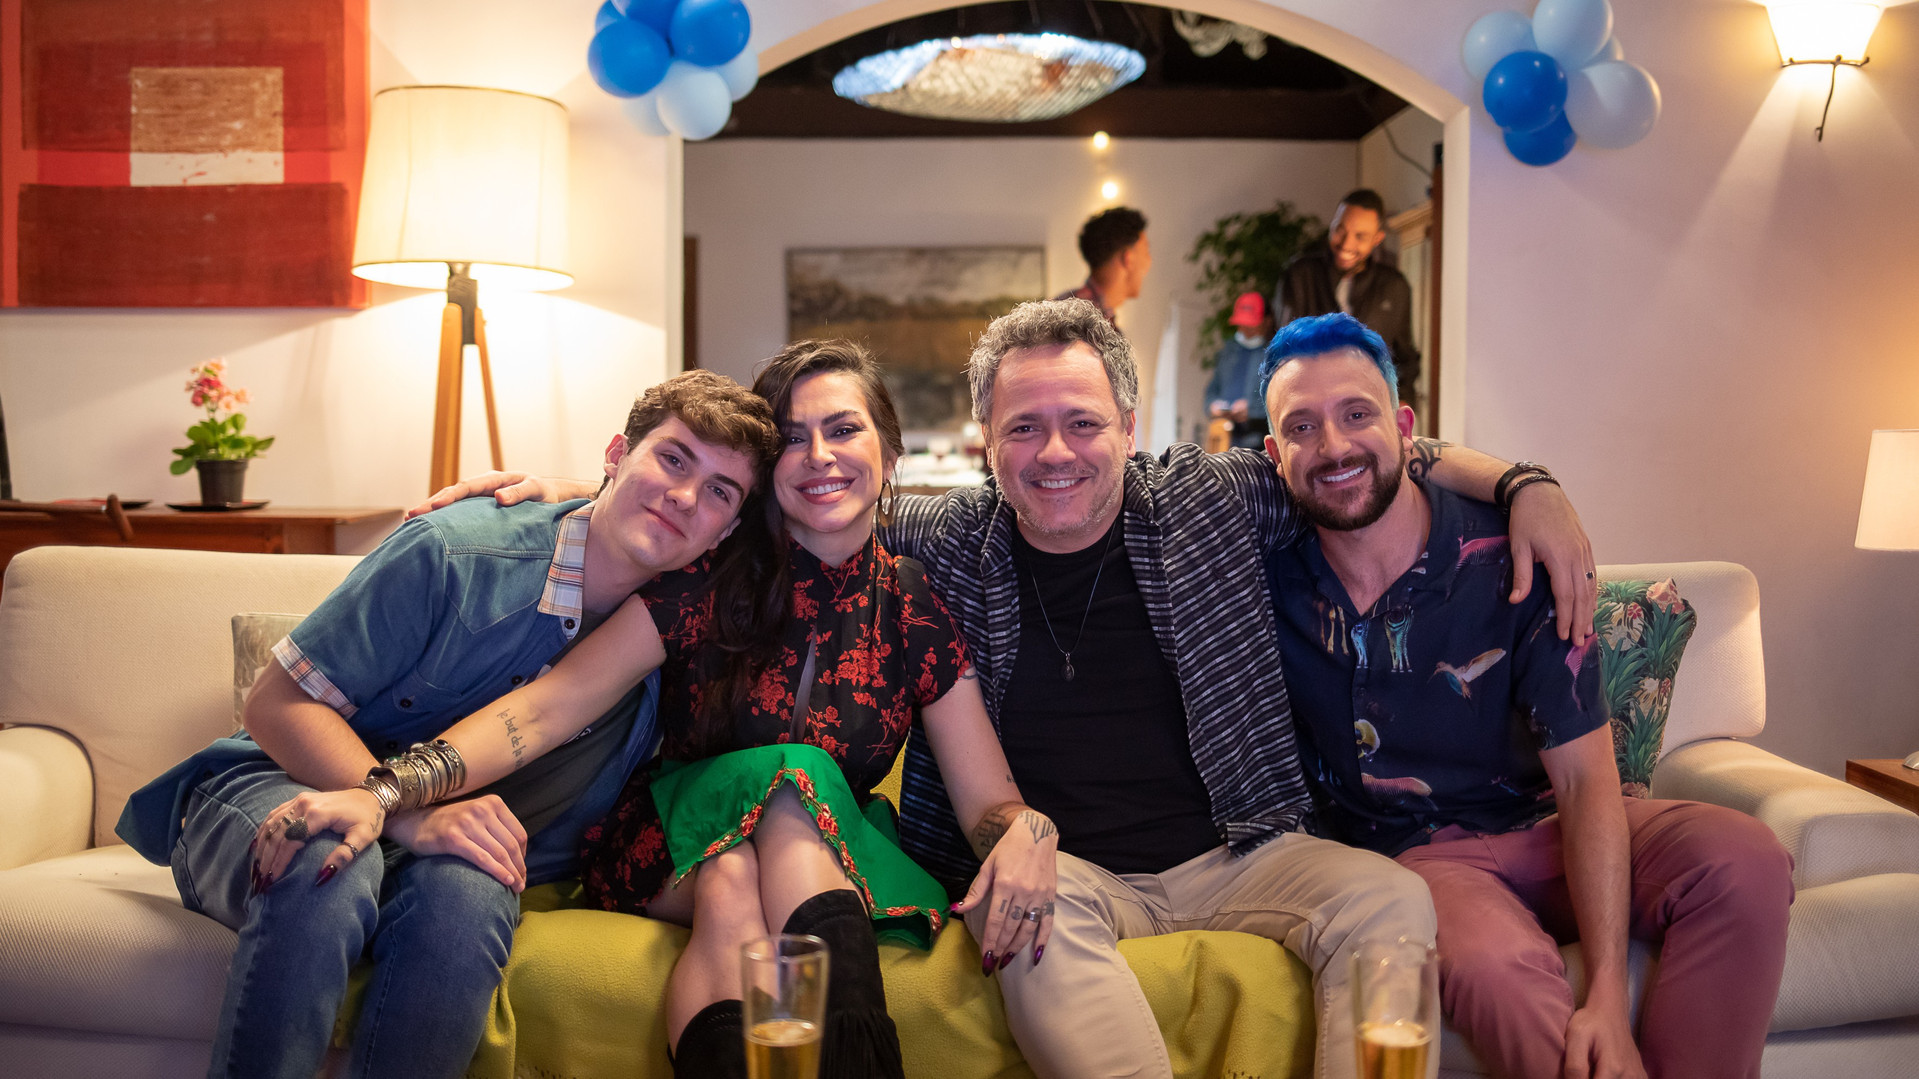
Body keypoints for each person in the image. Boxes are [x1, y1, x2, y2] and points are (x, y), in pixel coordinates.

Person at [425, 299, 1603, 1079]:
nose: (1054, 452)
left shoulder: (1206, 501)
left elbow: (1347, 448)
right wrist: (564, 496)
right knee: (1004, 917)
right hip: (1061, 874)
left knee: (1385, 902)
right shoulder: (941, 541)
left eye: (1082, 422)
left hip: (1239, 847)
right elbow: (743, 486)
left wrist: (1526, 484)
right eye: (1022, 426)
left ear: (1128, 427)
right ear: (981, 440)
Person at [113, 371, 777, 1079]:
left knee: (471, 896)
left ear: (730, 527)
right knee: (327, 858)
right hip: (284, 781)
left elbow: (828, 537)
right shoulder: (454, 550)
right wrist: (403, 813)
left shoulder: (692, 619)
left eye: (719, 491)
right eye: (672, 459)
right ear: (616, 452)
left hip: (457, 839)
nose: (685, 496)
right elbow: (274, 704)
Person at [458, 341, 1058, 1078]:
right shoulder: (706, 573)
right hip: (670, 839)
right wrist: (393, 787)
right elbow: (548, 707)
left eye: (843, 429)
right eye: (793, 438)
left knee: (736, 876)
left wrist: (1027, 829)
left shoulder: (911, 604)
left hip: (822, 857)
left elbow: (988, 801)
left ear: (889, 453)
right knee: (785, 782)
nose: (819, 456)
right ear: (767, 469)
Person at [1258, 313, 1795, 1079]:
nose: (1334, 445)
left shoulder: (1512, 550)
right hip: (1418, 861)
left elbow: (1584, 780)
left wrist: (1605, 991)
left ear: (1404, 429)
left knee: (1745, 857)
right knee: (1494, 970)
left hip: (1550, 827)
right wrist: (1525, 476)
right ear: (1272, 454)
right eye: (1302, 426)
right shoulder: (1262, 569)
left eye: (1356, 413)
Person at [1274, 188, 1422, 409]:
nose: (1346, 244)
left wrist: (1401, 403)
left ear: (1377, 239)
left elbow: (1404, 356)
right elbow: (1282, 350)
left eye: (1360, 236)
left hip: (1370, 407)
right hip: (1311, 404)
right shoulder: (1300, 275)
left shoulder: (1394, 286)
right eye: (1339, 230)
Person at [1056, 206, 1150, 330]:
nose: (1149, 262)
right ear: (1129, 258)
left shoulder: (1070, 309)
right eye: (1146, 252)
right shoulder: (1081, 322)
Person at [1204, 290, 1275, 450]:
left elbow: (1279, 402)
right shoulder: (1227, 352)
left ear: (1266, 321)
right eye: (1242, 323)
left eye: (1251, 324)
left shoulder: (1273, 356)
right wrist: (1212, 406)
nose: (1246, 328)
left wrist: (1252, 410)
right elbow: (1211, 391)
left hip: (1257, 444)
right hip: (1224, 441)